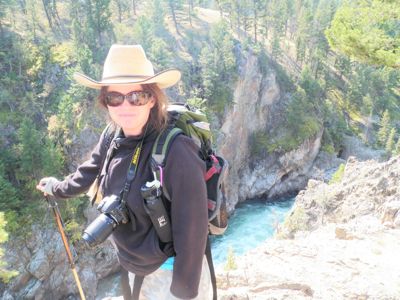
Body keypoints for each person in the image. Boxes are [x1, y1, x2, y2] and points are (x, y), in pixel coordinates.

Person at [36, 45, 211, 300]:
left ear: (152, 98)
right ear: (105, 101)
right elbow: (88, 172)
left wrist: (182, 292)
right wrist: (56, 188)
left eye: (136, 96)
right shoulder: (113, 135)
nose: (125, 105)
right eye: (115, 97)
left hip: (171, 273)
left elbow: (193, 229)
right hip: (131, 266)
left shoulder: (176, 151)